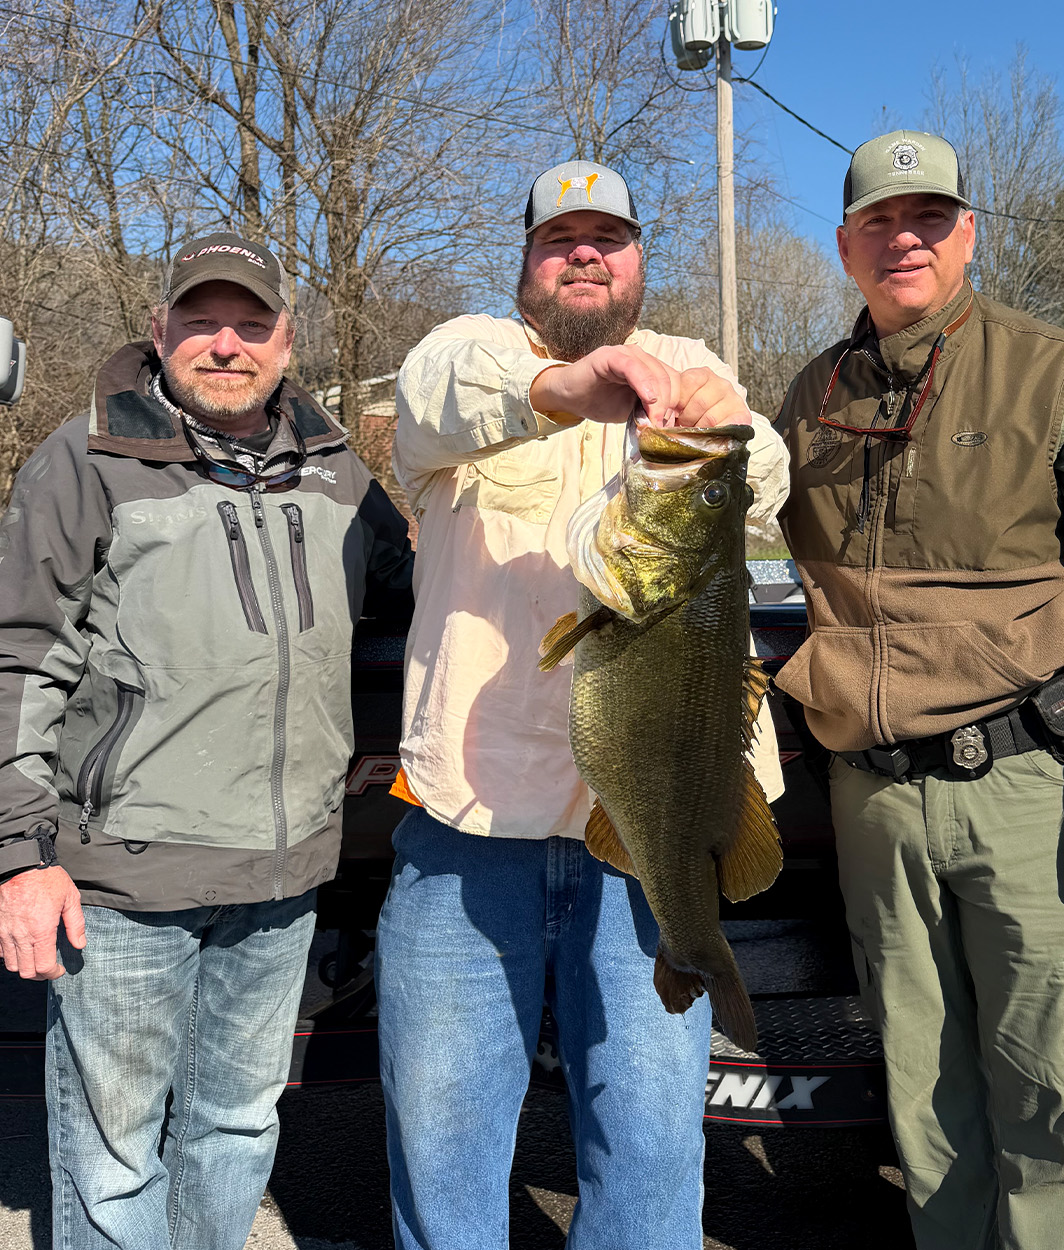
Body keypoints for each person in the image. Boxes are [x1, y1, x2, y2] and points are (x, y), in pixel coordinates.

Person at [772, 131, 1064, 1249]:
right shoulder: (811, 394)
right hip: (870, 800)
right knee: (924, 1105)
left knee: (1053, 1095)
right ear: (844, 245)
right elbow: (714, 515)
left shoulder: (1057, 373)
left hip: (1024, 791)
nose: (903, 238)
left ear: (967, 231)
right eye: (879, 220)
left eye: (928, 217)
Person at [380, 158, 790, 1250]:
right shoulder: (459, 358)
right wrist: (568, 388)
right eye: (561, 238)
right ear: (525, 260)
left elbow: (770, 481)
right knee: (445, 1154)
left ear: (639, 258)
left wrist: (725, 432)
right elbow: (430, 401)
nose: (585, 254)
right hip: (470, 833)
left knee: (651, 1169)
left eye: (607, 236)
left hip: (651, 847)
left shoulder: (694, 369)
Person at [0, 232, 413, 1250]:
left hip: (282, 875)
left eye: (248, 322)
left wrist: (382, 732)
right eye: (199, 319)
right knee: (113, 1153)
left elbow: (411, 618)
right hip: (123, 876)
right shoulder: (86, 457)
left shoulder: (339, 473)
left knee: (235, 1126)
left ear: (286, 339)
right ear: (159, 330)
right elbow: (18, 660)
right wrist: (20, 856)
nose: (223, 343)